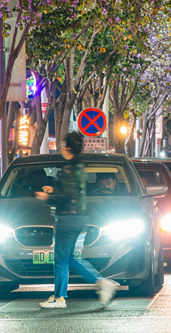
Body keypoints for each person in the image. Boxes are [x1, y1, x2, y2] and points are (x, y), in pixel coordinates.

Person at [35, 132, 118, 309]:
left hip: (67, 217)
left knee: (60, 259)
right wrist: (53, 188)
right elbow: (70, 190)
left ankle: (59, 298)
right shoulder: (78, 167)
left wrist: (47, 197)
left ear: (68, 147)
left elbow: (66, 195)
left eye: (64, 144)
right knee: (69, 259)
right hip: (78, 217)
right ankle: (101, 283)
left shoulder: (69, 168)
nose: (62, 148)